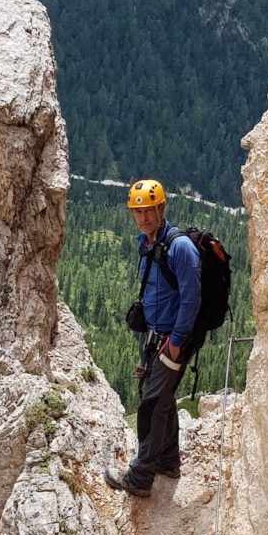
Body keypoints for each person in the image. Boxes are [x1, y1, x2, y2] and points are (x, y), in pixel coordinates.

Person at [105, 179, 201, 497]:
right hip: (153, 336)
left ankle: (141, 476)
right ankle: (168, 461)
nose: (143, 218)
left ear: (162, 208)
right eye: (138, 212)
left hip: (172, 339)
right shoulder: (146, 243)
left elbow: (191, 300)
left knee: (150, 407)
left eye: (149, 211)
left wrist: (176, 342)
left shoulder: (180, 247)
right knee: (162, 400)